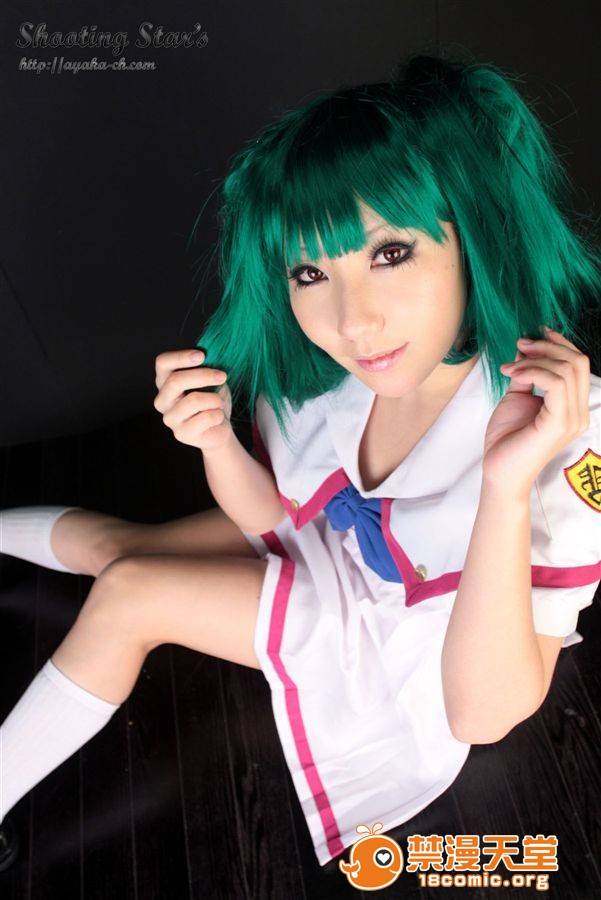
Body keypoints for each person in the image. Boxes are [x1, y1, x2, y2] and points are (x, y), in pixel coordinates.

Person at [1, 53, 600, 872]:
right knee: (117, 548)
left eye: (390, 253)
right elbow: (272, 517)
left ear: (470, 234)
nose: (353, 321)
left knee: (130, 589)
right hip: (334, 550)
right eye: (311, 272)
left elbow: (482, 715)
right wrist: (213, 440)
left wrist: (503, 485)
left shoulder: (566, 424)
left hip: (424, 642)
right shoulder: (337, 369)